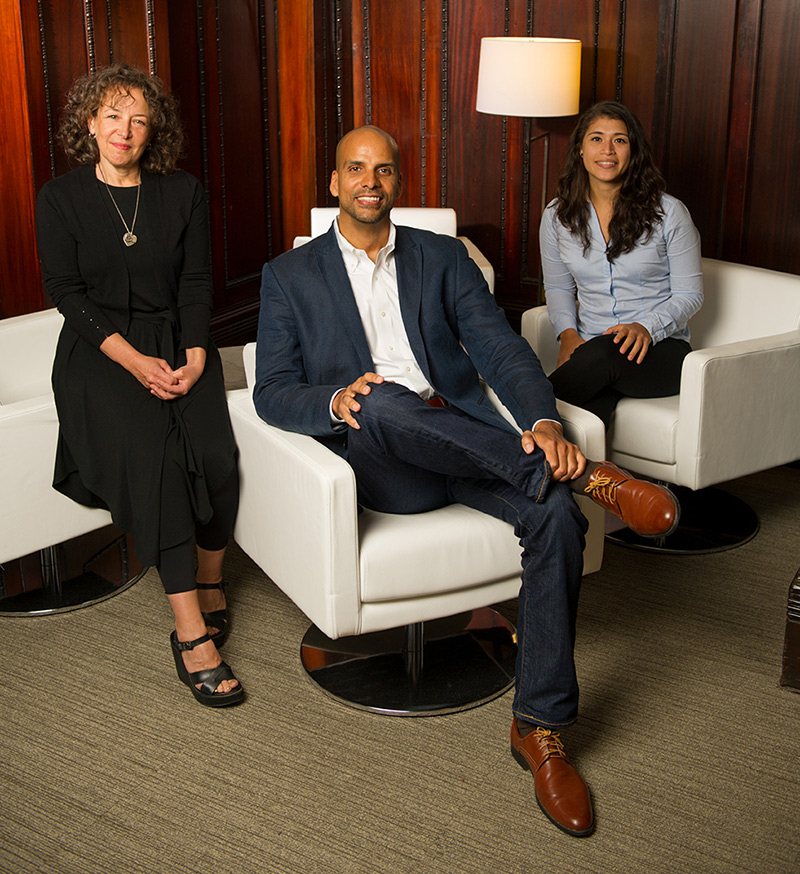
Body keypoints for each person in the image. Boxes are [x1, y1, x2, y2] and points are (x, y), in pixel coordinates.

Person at [254, 125, 679, 837]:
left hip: (470, 441)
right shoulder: (288, 277)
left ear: (398, 183)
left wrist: (543, 421)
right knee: (381, 398)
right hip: (388, 464)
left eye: (384, 170)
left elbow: (501, 349)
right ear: (333, 183)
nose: (370, 181)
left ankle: (539, 731)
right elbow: (270, 389)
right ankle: (590, 478)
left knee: (555, 520)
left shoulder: (442, 258)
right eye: (355, 169)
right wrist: (333, 402)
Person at [36, 64, 243, 707]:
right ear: (89, 123)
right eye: (111, 116)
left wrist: (196, 356)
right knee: (157, 461)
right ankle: (190, 631)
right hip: (100, 354)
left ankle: (211, 579)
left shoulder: (182, 193)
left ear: (155, 132)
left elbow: (195, 284)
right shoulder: (61, 198)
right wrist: (133, 362)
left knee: (217, 456)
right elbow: (68, 295)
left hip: (179, 344)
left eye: (139, 119)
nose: (124, 130)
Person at [541, 101, 703, 428]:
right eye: (597, 138)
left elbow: (690, 294)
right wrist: (569, 335)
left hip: (660, 351)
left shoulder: (669, 213)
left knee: (600, 358)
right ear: (580, 151)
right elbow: (558, 287)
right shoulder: (557, 216)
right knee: (586, 418)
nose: (608, 150)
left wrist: (646, 327)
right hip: (590, 348)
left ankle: (515, 417)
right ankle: (584, 477)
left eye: (620, 140)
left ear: (633, 151)